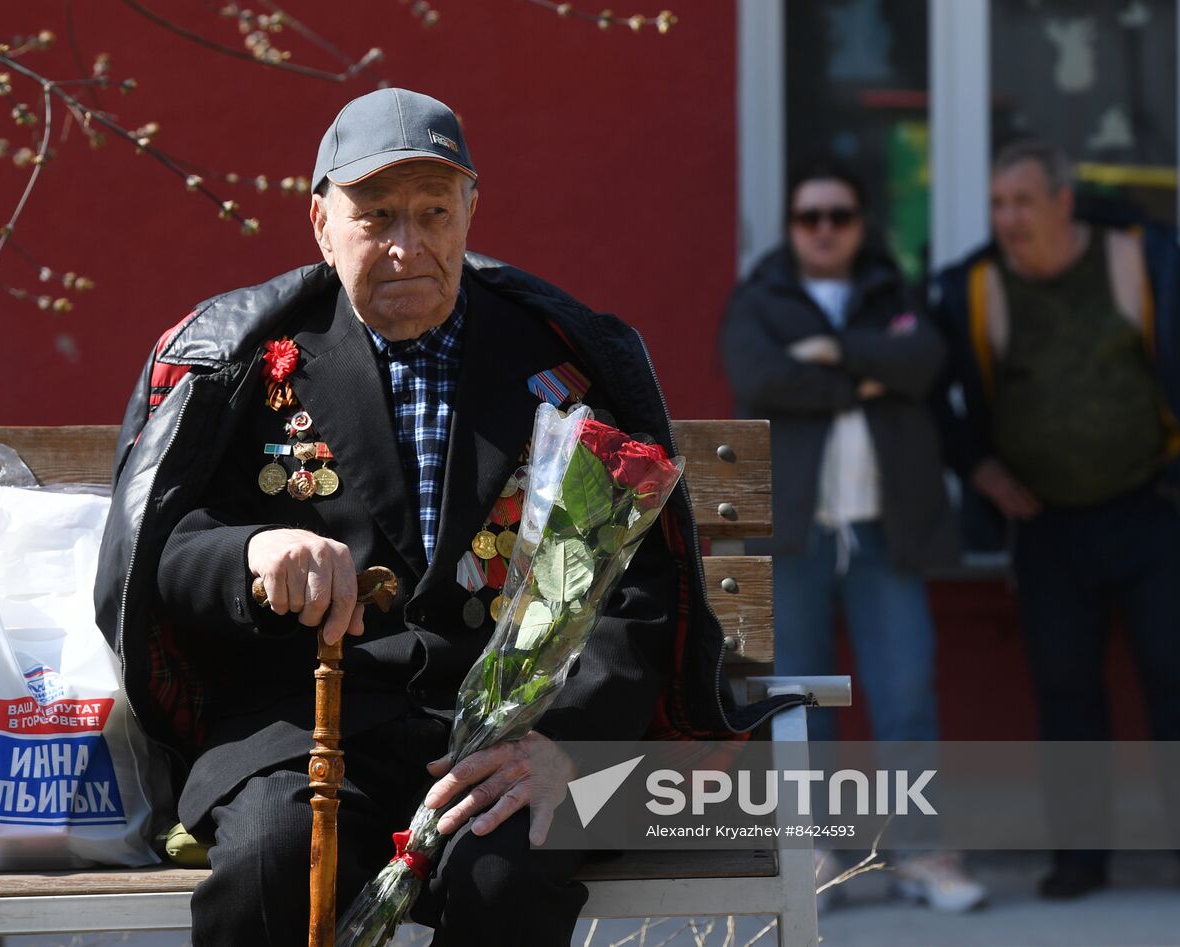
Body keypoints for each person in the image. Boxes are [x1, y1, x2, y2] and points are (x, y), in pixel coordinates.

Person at [93, 88, 795, 946]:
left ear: (471, 212)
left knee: (502, 877)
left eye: (433, 212)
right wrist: (253, 552)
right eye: (376, 215)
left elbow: (636, 590)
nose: (408, 245)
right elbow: (163, 552)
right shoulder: (246, 363)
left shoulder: (561, 359)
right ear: (320, 224)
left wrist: (564, 744)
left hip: (508, 738)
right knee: (277, 862)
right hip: (306, 727)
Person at [720, 160, 984, 912]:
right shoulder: (761, 298)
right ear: (792, 227)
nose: (825, 229)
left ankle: (922, 855)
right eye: (811, 217)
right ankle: (814, 859)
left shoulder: (896, 293)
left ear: (861, 225)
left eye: (840, 215)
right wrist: (869, 376)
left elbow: (924, 361)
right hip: (794, 535)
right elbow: (759, 378)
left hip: (883, 534)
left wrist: (832, 352)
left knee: (906, 695)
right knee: (796, 703)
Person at [933, 139, 1180, 899]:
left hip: (1152, 509)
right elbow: (933, 392)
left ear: (1063, 202)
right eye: (997, 204)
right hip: (1046, 525)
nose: (1008, 218)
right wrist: (977, 465)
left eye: (1023, 201)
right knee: (1066, 688)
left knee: (1173, 677)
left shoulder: (1141, 259)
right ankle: (1080, 858)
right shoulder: (973, 287)